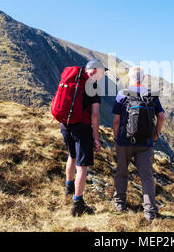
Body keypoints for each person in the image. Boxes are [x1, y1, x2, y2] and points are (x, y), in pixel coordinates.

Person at [112, 66, 166, 221]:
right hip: (146, 142)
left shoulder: (122, 94)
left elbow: (116, 120)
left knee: (122, 171)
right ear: (142, 78)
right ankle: (149, 211)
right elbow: (161, 117)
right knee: (146, 176)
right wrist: (155, 136)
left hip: (124, 141)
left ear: (129, 78)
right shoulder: (151, 95)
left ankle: (120, 203)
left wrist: (117, 138)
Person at [61, 59, 107, 217]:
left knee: (72, 156)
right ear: (95, 70)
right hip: (82, 128)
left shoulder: (72, 80)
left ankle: (69, 187)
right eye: (102, 72)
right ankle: (78, 203)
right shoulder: (92, 86)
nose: (103, 75)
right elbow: (95, 115)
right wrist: (96, 137)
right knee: (82, 166)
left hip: (65, 126)